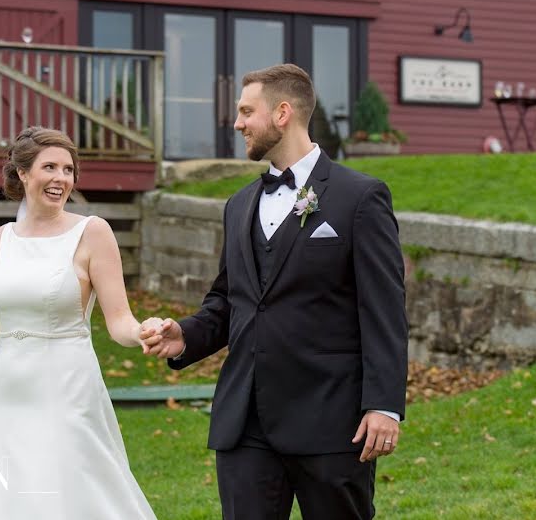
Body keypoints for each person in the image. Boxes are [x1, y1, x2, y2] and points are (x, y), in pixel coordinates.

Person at [141, 64, 408, 519]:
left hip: (331, 420)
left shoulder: (359, 198)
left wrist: (384, 405)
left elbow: (384, 310)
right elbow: (229, 301)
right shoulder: (239, 204)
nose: (238, 122)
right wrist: (184, 335)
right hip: (246, 421)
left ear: (282, 113)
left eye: (247, 111)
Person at [0, 127, 156, 519]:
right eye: (49, 167)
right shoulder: (1, 239)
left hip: (66, 385)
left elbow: (119, 320)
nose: (61, 179)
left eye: (68, 170)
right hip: (9, 386)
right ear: (22, 173)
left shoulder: (92, 232)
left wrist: (143, 332)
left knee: (71, 490)